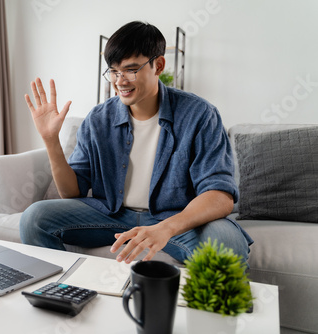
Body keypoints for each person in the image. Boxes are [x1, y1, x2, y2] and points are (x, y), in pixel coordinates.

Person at [20, 21, 253, 265]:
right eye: (113, 71)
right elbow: (72, 191)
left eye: (131, 70)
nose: (120, 81)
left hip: (173, 218)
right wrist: (51, 141)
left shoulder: (200, 114)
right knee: (34, 218)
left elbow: (220, 195)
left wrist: (166, 228)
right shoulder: (99, 118)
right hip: (111, 215)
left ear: (158, 65)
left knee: (227, 245)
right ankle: (66, 292)